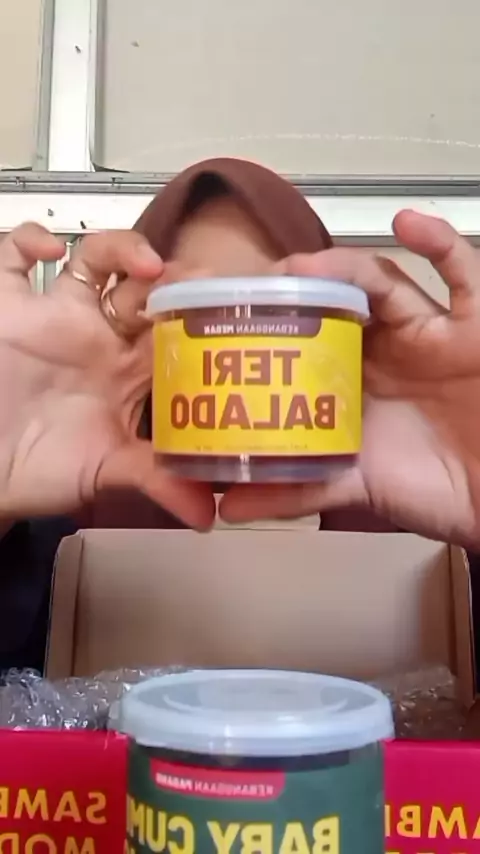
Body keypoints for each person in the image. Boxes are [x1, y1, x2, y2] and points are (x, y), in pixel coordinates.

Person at [0, 157, 480, 670]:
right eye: (203, 310)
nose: (245, 350)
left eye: (276, 305)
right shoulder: (57, 527)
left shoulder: (423, 531)